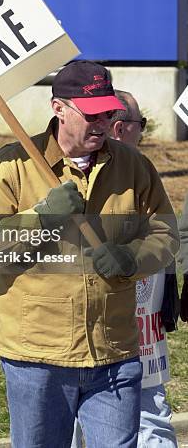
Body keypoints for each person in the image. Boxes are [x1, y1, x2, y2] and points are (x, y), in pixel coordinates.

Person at [0, 60, 179, 448]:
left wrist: (133, 258)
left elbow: (164, 233)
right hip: (36, 357)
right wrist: (42, 216)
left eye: (109, 112)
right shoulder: (11, 166)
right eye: (91, 113)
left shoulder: (133, 166)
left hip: (114, 352)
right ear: (58, 108)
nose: (102, 123)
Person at [71, 89, 178, 448]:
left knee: (148, 410)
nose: (143, 132)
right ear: (119, 128)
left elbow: (168, 233)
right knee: (144, 414)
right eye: (140, 124)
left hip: (142, 332)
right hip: (103, 332)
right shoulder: (86, 180)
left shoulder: (139, 172)